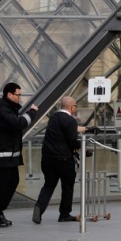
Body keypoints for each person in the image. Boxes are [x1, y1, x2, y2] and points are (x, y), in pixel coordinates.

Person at [0, 82, 38, 227]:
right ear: (9, 94)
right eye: (18, 95)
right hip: (2, 156)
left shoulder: (9, 108)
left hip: (9, 155)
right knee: (1, 186)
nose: (20, 98)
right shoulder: (2, 109)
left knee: (12, 182)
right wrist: (31, 112)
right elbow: (17, 124)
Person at [33, 96, 87, 224]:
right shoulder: (70, 120)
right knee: (67, 186)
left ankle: (39, 207)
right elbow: (73, 142)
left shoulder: (53, 118)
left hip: (47, 158)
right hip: (64, 159)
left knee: (48, 185)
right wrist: (85, 150)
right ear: (72, 107)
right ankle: (64, 214)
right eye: (76, 106)